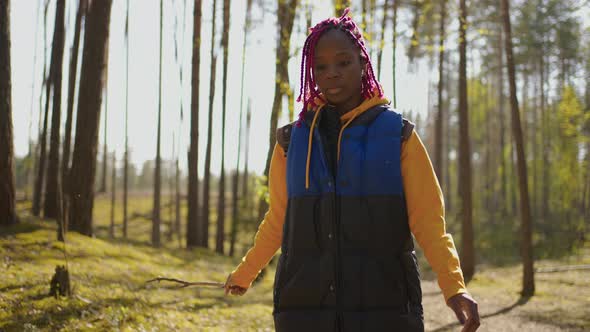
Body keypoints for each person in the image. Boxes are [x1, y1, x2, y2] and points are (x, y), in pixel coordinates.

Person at [224, 8, 480, 332]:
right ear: (311, 72)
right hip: (303, 314)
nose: (332, 73)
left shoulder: (398, 135)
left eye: (343, 62)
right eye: (321, 66)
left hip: (386, 314)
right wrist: (245, 274)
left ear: (363, 62)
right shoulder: (290, 142)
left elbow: (430, 222)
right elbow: (278, 220)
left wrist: (454, 288)